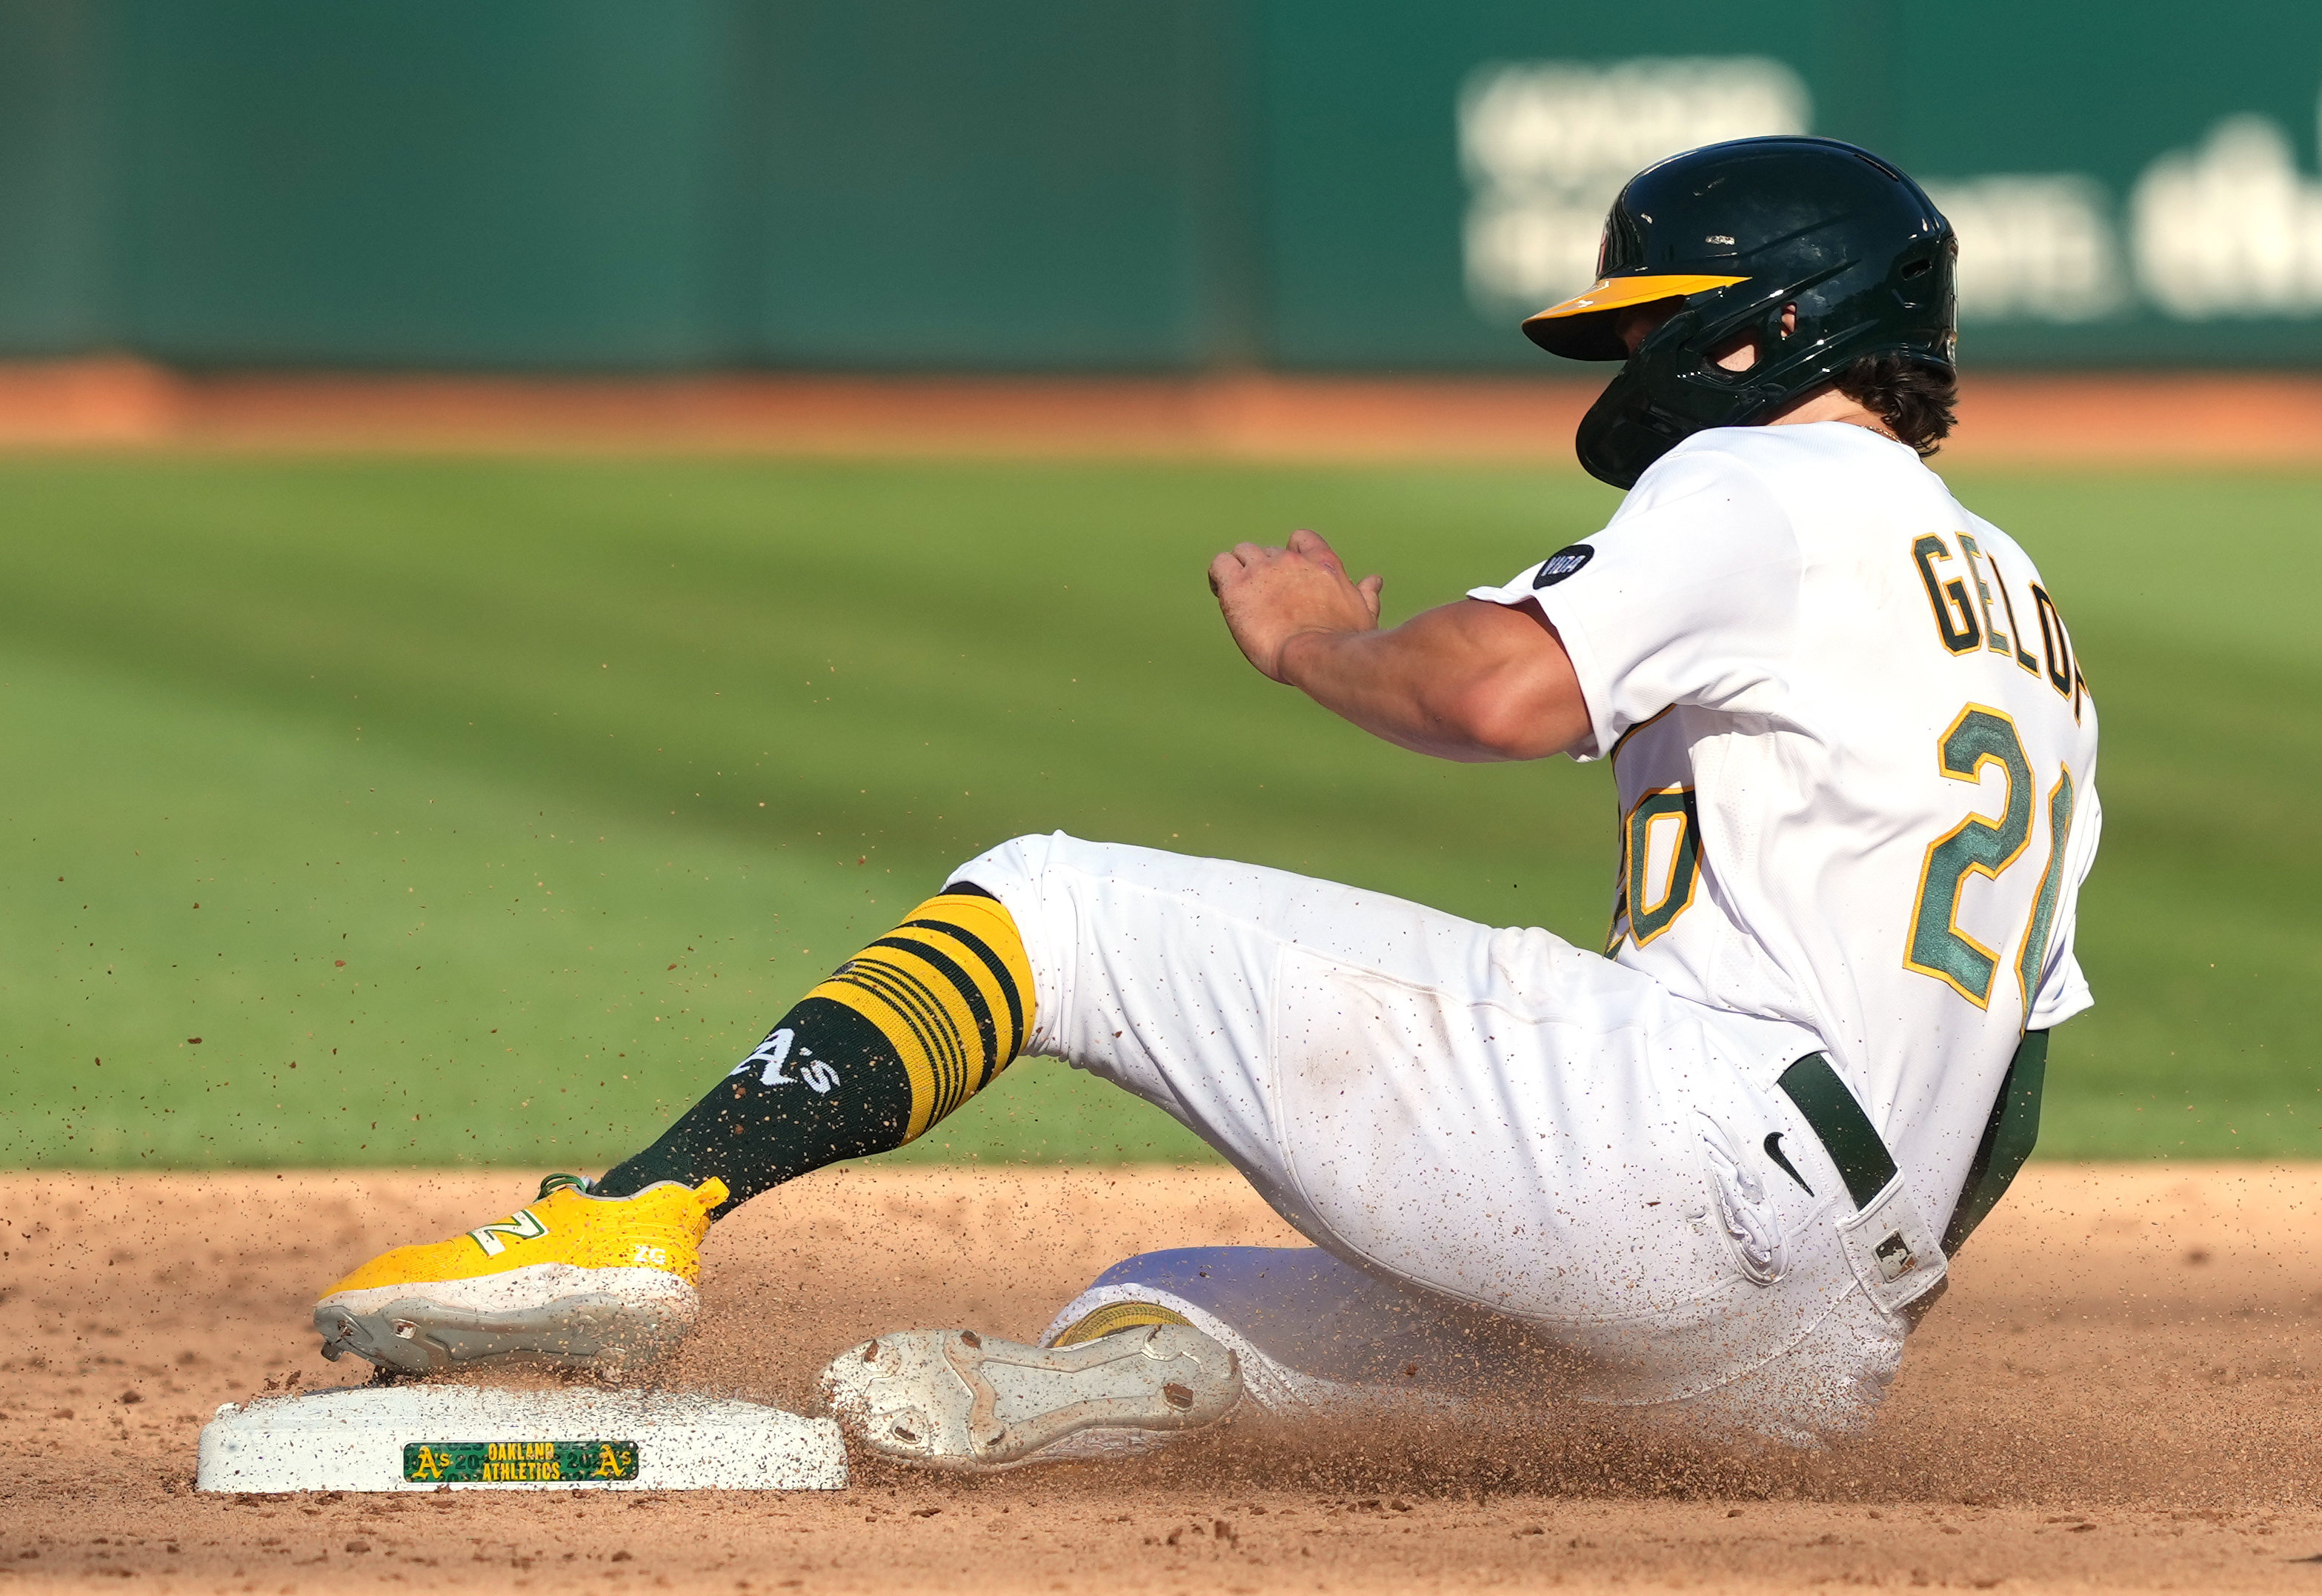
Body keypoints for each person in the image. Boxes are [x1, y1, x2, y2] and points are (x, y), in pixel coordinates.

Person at [310, 139, 2098, 1469]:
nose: (1624, 375)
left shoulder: (1765, 478)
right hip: (1818, 1331)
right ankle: (1047, 1403)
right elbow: (2005, 1089)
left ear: (1760, 337)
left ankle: (628, 1222)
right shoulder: (2025, 622)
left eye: (1654, 330)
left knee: (1054, 907)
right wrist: (1827, 1330)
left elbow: (1494, 685)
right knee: (1172, 1299)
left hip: (1679, 1156)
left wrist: (1324, 646)